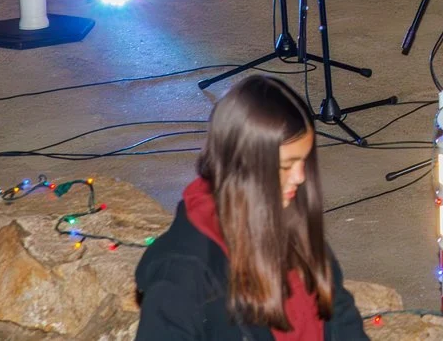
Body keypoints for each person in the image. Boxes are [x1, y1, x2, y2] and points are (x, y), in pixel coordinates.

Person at [132, 74, 369, 341]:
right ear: (244, 167)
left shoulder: (288, 212)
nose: (301, 177)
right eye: (286, 165)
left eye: (304, 160)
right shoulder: (183, 273)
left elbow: (338, 311)